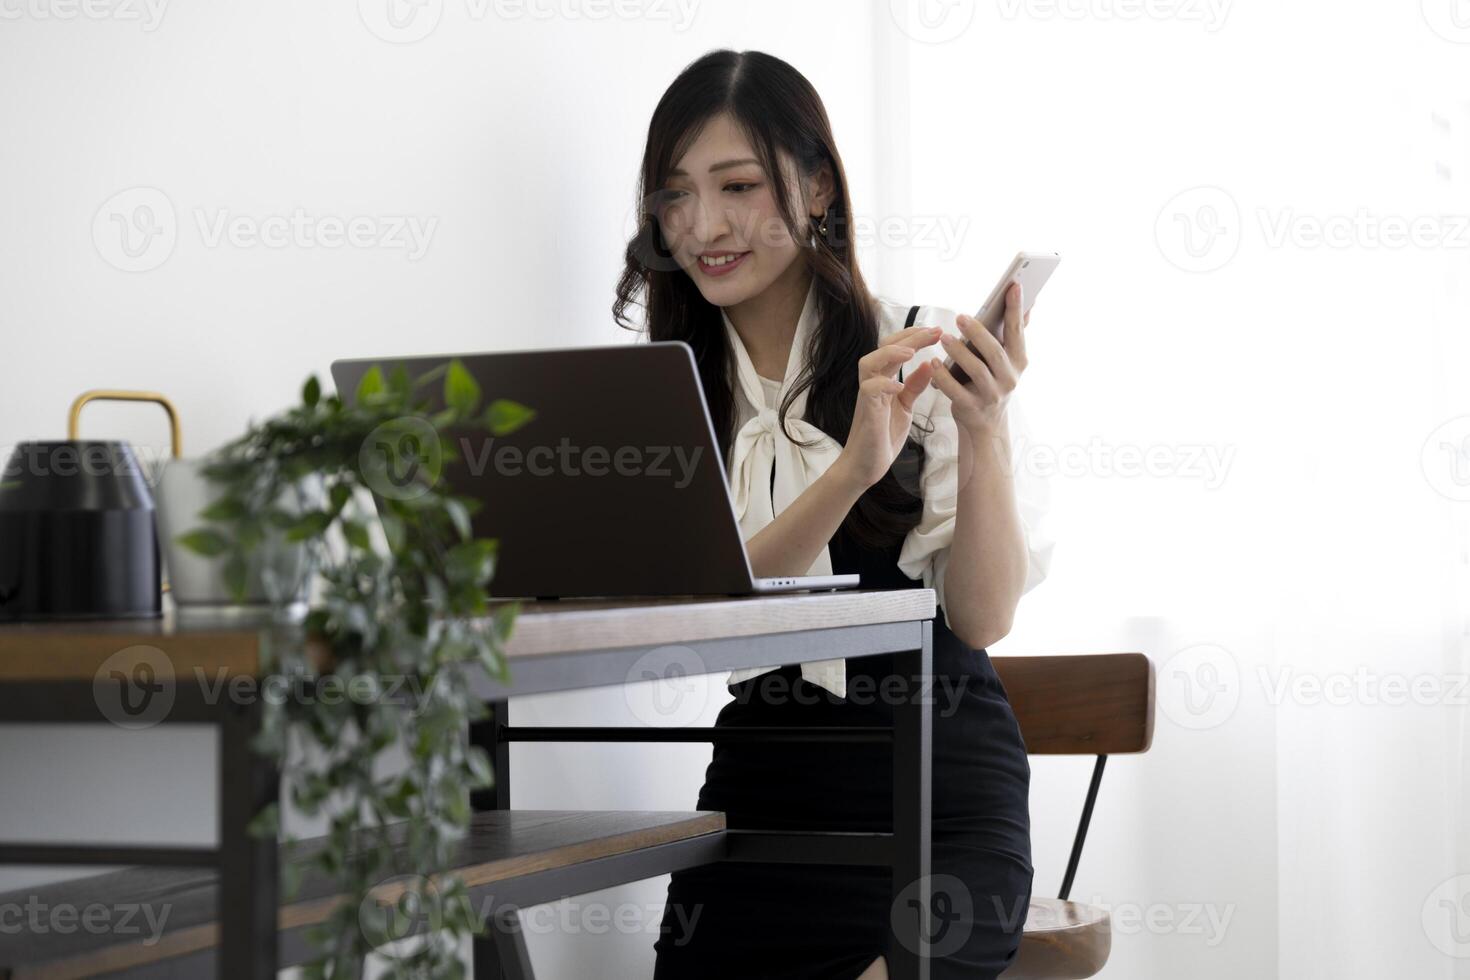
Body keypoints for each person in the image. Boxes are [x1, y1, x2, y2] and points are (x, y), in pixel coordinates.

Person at [614, 48, 1053, 980]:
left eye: (736, 186)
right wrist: (853, 469)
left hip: (939, 791)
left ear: (816, 189)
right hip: (765, 794)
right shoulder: (666, 399)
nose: (703, 226)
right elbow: (720, 624)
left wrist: (985, 431)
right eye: (676, 196)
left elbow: (982, 619)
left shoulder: (916, 347)